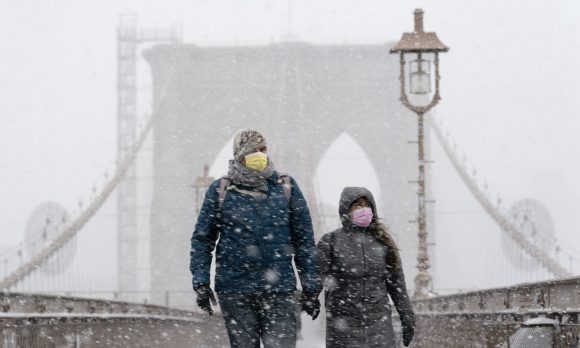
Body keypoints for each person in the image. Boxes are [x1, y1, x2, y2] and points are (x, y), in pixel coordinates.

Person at [190, 129, 321, 348]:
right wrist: (201, 283)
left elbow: (304, 241)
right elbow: (202, 240)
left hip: (279, 291)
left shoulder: (286, 187)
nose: (260, 155)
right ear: (240, 154)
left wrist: (311, 288)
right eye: (253, 151)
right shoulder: (220, 190)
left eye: (263, 149)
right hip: (235, 292)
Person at [317, 187, 415, 348]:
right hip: (343, 327)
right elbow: (315, 277)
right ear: (346, 210)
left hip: (379, 325)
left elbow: (397, 285)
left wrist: (407, 316)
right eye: (357, 205)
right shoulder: (331, 241)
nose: (363, 209)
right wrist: (309, 297)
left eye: (366, 204)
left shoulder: (384, 242)